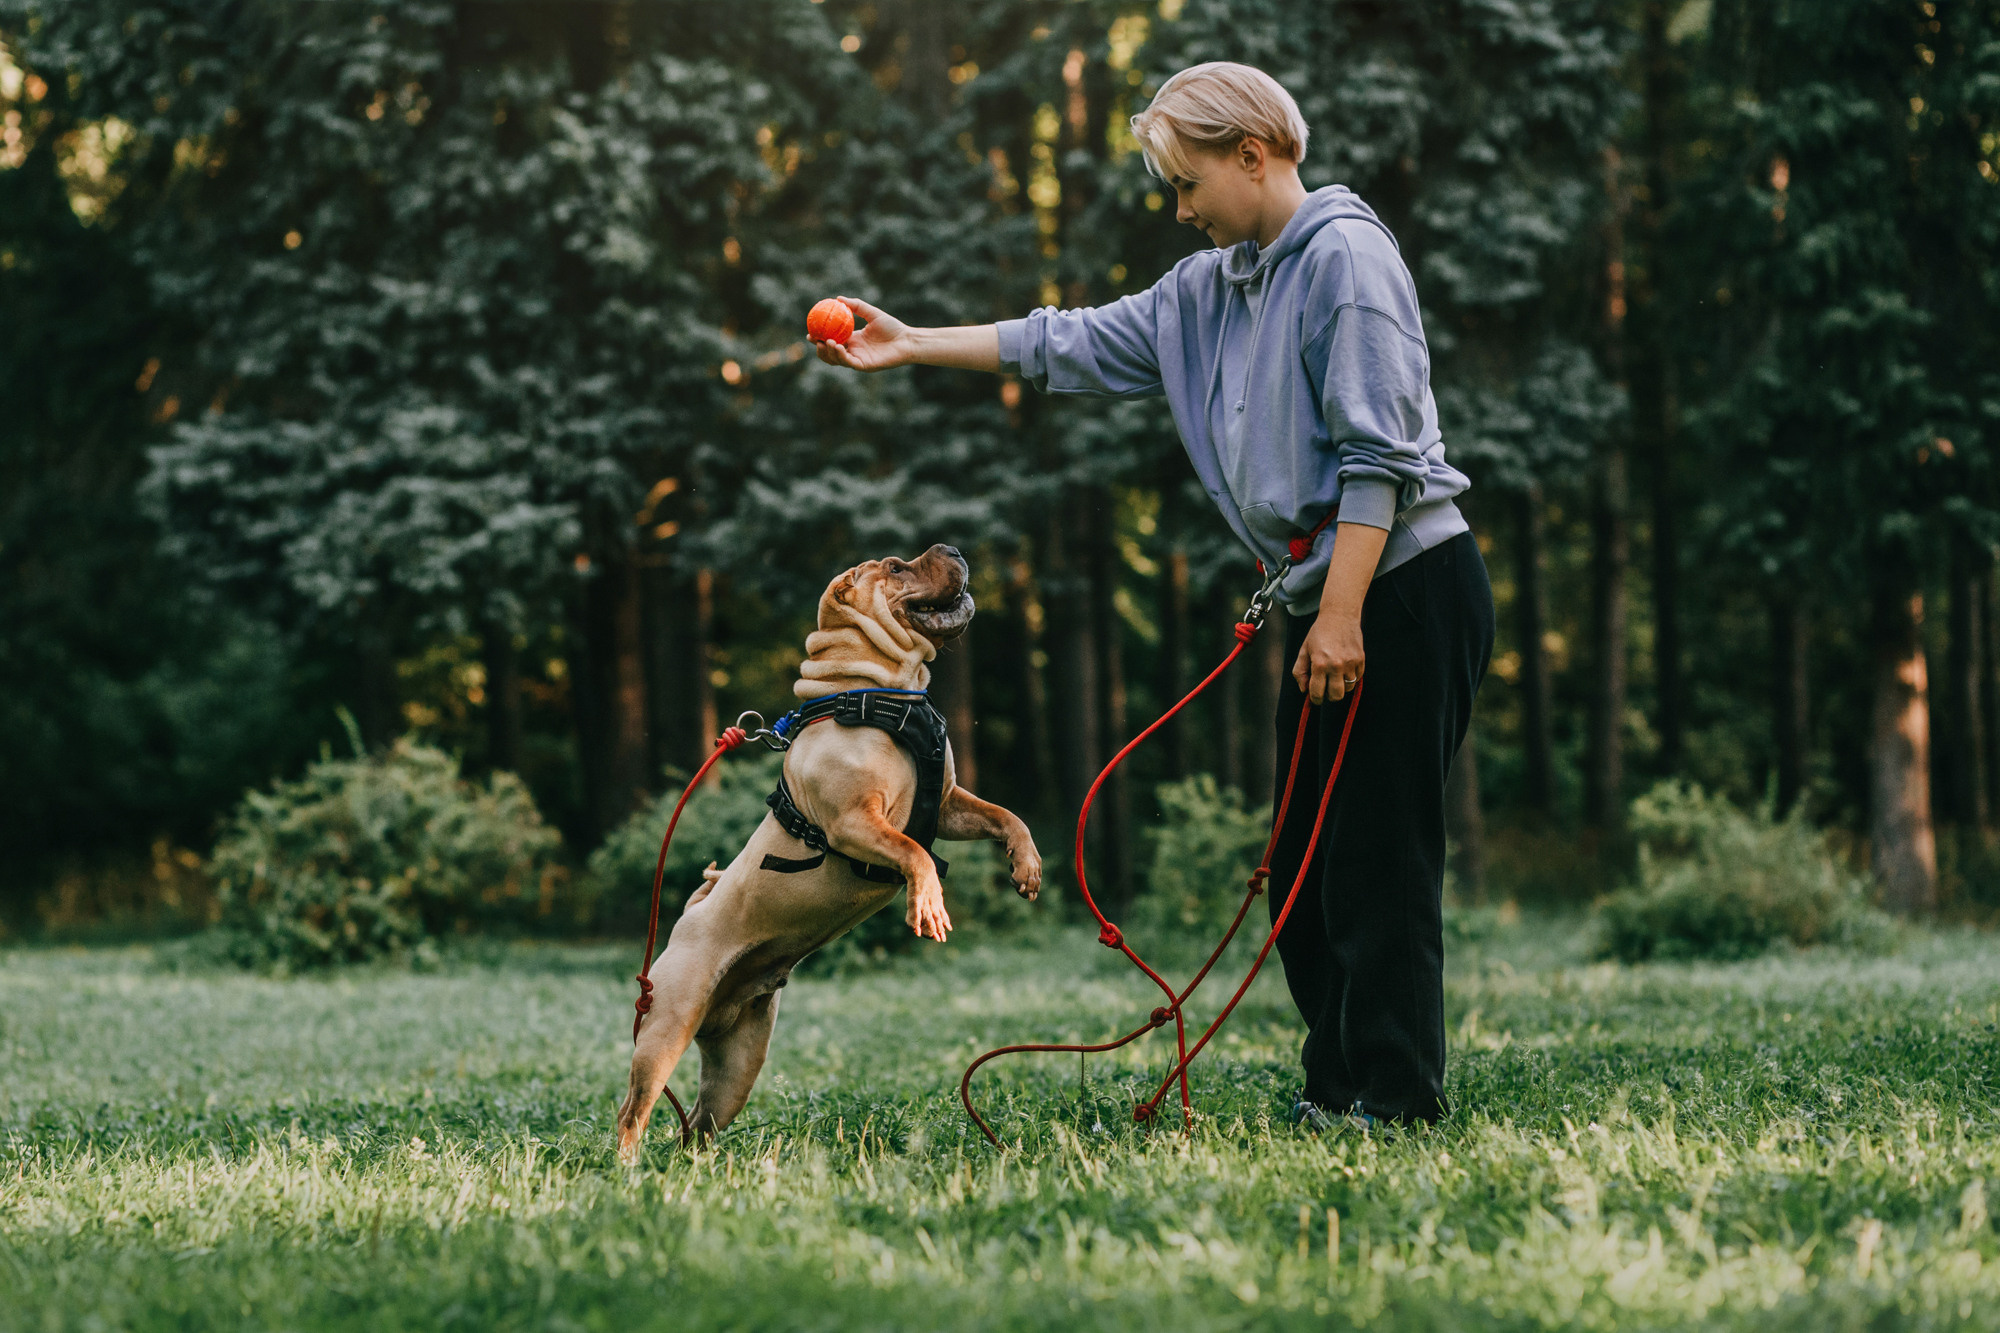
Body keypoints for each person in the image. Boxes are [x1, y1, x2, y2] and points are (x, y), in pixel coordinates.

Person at [811, 61, 1494, 1130]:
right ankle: (1336, 1088)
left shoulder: (1347, 262)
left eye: (1186, 185)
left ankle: (1394, 1100)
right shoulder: (1210, 289)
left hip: (1400, 586)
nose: (1179, 210)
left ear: (1251, 155)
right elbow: (1067, 340)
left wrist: (1343, 614)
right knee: (1303, 868)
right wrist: (910, 345)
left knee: (1374, 859)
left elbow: (1379, 458)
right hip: (1340, 598)